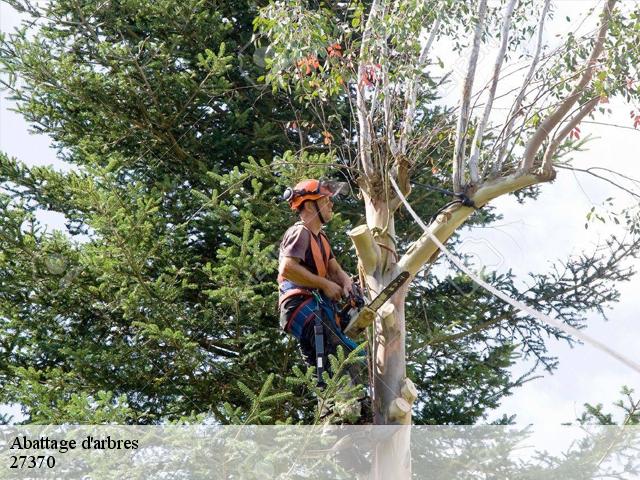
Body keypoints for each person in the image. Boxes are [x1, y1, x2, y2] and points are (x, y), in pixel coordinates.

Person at [277, 179, 363, 386]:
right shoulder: (300, 232)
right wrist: (324, 285)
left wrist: (346, 283)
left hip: (315, 307)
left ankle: (339, 407)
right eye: (325, 200)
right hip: (301, 305)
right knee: (340, 357)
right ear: (308, 204)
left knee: (332, 363)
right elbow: (287, 268)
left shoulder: (320, 238)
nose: (331, 204)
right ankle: (347, 407)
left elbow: (335, 269)